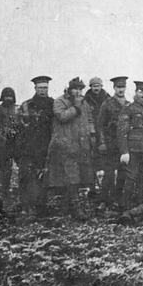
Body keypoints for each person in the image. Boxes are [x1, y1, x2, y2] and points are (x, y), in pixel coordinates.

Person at [45, 78, 95, 219]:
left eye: (80, 89)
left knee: (83, 176)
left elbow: (89, 120)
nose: (78, 92)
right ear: (69, 89)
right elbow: (62, 116)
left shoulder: (84, 103)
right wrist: (75, 108)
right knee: (71, 177)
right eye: (75, 89)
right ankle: (75, 208)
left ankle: (78, 206)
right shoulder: (60, 101)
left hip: (82, 146)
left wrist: (92, 136)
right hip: (66, 146)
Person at [18, 76, 54, 215]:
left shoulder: (53, 104)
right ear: (35, 88)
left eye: (45, 88)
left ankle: (41, 205)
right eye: (40, 88)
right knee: (28, 176)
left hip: (47, 146)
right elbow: (20, 127)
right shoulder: (27, 105)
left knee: (44, 175)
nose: (43, 91)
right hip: (30, 147)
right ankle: (28, 206)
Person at [117, 81, 143, 210]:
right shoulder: (128, 109)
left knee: (142, 178)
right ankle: (124, 206)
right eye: (140, 92)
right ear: (136, 92)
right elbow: (122, 131)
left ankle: (139, 205)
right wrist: (124, 151)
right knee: (131, 178)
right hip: (133, 151)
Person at [96, 76, 129, 210]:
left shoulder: (128, 104)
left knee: (122, 173)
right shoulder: (107, 104)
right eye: (118, 87)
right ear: (114, 88)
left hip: (123, 146)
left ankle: (118, 199)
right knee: (108, 174)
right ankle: (104, 200)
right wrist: (102, 142)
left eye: (123, 87)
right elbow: (100, 125)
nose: (121, 90)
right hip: (110, 145)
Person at [0, 86, 23, 210]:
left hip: (17, 145)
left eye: (10, 96)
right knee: (6, 172)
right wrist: (1, 137)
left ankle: (23, 195)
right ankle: (6, 197)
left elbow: (22, 125)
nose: (8, 99)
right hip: (3, 146)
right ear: (2, 98)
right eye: (6, 96)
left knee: (23, 168)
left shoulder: (18, 109)